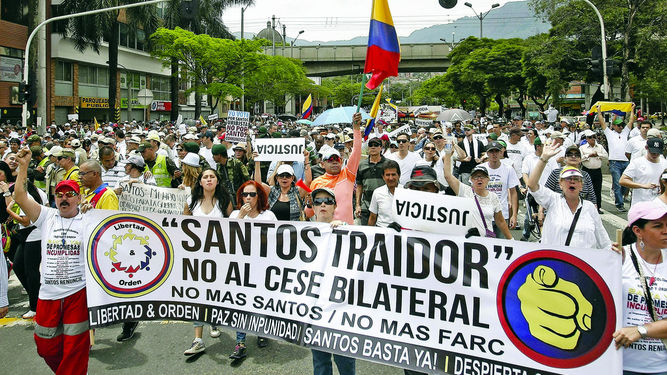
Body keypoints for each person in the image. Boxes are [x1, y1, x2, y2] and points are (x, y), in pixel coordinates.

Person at [13, 147, 90, 375]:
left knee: (75, 348)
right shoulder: (46, 215)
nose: (64, 198)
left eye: (69, 194)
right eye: (60, 195)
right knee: (46, 346)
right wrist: (23, 167)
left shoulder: (89, 219)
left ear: (79, 197)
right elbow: (19, 197)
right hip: (48, 294)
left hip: (77, 292)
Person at [182, 168, 232, 356]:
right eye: (205, 177)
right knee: (198, 297)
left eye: (212, 177)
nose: (209, 179)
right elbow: (182, 227)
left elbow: (232, 226)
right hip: (196, 258)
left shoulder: (225, 202)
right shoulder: (191, 202)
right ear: (200, 182)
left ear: (217, 181)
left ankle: (213, 321)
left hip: (219, 256)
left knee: (215, 293)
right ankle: (198, 339)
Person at [613, 201, 667, 374]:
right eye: (658, 226)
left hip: (660, 368)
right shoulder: (617, 257)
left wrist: (640, 330)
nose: (665, 231)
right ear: (638, 231)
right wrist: (607, 267)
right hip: (617, 364)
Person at [527, 143, 611, 249]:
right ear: (560, 184)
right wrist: (544, 158)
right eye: (568, 179)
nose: (572, 182)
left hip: (582, 263)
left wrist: (615, 253)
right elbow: (532, 185)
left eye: (576, 179)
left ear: (581, 185)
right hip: (556, 262)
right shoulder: (553, 200)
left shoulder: (589, 208)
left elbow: (604, 242)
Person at [309, 187, 355, 375]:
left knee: (344, 360)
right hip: (315, 305)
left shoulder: (347, 230)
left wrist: (342, 230)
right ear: (313, 206)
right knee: (320, 362)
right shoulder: (303, 231)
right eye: (318, 201)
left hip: (340, 305)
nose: (323, 205)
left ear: (335, 205)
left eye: (327, 201)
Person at [229, 180, 276, 359]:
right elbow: (227, 237)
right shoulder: (235, 214)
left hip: (262, 267)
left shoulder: (269, 216)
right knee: (241, 304)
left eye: (252, 194)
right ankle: (240, 342)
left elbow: (278, 240)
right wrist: (240, 216)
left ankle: (261, 332)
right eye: (245, 194)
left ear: (259, 197)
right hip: (241, 266)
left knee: (260, 300)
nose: (248, 198)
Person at [443, 151, 512, 239]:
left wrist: (511, 239)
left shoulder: (493, 197)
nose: (479, 179)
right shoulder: (465, 191)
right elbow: (448, 176)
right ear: (471, 179)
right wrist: (448, 154)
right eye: (476, 177)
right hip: (468, 240)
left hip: (486, 241)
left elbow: (500, 221)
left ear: (488, 179)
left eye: (482, 176)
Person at [309, 112, 362, 225]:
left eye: (336, 159)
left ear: (341, 161)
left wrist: (356, 129)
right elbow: (309, 213)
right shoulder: (316, 183)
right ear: (322, 164)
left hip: (345, 232)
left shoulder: (348, 175)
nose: (334, 162)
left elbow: (356, 152)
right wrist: (309, 205)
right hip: (323, 233)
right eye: (330, 160)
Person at [597, 103, 634, 212]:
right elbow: (602, 122)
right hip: (614, 162)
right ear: (613, 126)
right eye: (618, 125)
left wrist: (632, 110)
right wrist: (599, 111)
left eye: (622, 125)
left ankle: (619, 196)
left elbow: (631, 121)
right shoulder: (609, 133)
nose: (621, 127)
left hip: (625, 161)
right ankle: (619, 204)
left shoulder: (625, 133)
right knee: (617, 183)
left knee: (625, 184)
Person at [481, 141, 519, 233]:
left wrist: (514, 215)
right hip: (484, 214)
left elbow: (513, 192)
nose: (494, 154)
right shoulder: (480, 169)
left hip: (502, 214)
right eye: (491, 152)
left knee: (501, 244)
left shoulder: (508, 169)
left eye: (496, 151)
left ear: (501, 152)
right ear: (487, 153)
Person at [620, 138, 667, 207]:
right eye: (652, 152)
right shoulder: (637, 162)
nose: (655, 155)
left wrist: (663, 188)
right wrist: (642, 185)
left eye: (658, 153)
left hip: (660, 206)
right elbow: (622, 180)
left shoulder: (665, 163)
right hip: (640, 205)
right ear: (646, 148)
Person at [355, 137, 386, 225]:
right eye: (370, 145)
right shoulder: (362, 165)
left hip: (383, 205)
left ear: (381, 148)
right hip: (366, 205)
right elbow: (359, 186)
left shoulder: (387, 164)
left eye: (376, 145)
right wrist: (358, 205)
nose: (373, 147)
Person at [579, 129, 608, 212]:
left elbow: (606, 156)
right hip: (587, 170)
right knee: (585, 189)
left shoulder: (600, 147)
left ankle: (597, 207)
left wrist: (598, 155)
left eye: (593, 137)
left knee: (597, 190)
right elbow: (580, 159)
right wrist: (589, 155)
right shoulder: (582, 147)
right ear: (587, 139)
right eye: (590, 137)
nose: (592, 139)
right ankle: (584, 206)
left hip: (597, 171)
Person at [368, 160, 401, 228]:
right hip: (382, 233)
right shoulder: (377, 193)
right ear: (383, 176)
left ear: (399, 175)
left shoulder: (407, 192)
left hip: (401, 233)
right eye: (387, 175)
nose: (391, 178)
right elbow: (372, 218)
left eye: (393, 174)